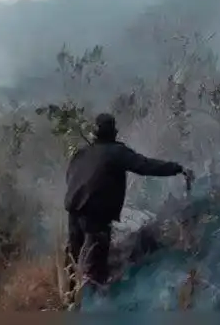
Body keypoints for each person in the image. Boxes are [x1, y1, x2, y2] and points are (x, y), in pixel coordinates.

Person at [64, 112, 192, 289]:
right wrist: (176, 168)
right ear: (114, 133)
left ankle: (69, 301)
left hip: (73, 212)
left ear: (94, 134)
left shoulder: (81, 153)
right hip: (96, 218)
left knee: (72, 265)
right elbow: (145, 166)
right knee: (95, 274)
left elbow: (70, 176)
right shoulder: (116, 152)